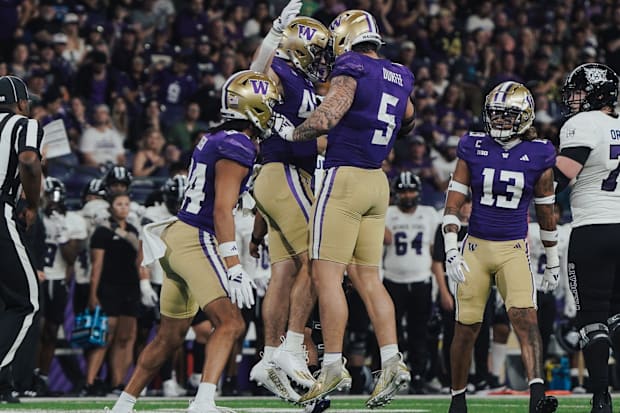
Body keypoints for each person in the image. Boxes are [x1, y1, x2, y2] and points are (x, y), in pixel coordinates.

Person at [108, 70, 280, 413]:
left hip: (175, 238)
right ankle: (203, 401)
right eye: (269, 105)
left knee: (169, 337)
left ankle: (123, 405)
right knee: (231, 323)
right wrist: (232, 264)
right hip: (196, 238)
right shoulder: (238, 145)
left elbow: (247, 78)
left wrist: (273, 38)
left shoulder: (216, 136)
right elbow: (221, 210)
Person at [274, 9, 415, 408]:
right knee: (369, 278)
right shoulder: (401, 73)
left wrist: (292, 133)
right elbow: (408, 120)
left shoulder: (351, 64)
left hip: (345, 178)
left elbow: (330, 113)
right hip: (377, 181)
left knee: (326, 274)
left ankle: (332, 364)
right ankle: (391, 361)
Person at [441, 81, 559, 413]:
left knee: (526, 317)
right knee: (467, 327)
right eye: (495, 115)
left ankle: (537, 395)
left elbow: (546, 213)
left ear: (524, 117)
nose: (500, 122)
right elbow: (453, 204)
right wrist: (451, 247)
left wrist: (552, 260)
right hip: (476, 247)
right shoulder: (473, 145)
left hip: (513, 248)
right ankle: (457, 398)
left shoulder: (539, 153)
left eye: (508, 116)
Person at [248, 3, 332, 401]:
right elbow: (254, 75)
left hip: (280, 178)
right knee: (320, 261)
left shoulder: (302, 78)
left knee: (283, 273)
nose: (321, 61)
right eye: (316, 52)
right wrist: (272, 35)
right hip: (284, 173)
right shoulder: (281, 69)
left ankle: (268, 356)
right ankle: (292, 349)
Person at [554, 62, 620, 413]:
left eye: (579, 92)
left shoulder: (582, 124)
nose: (574, 100)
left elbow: (562, 176)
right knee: (619, 315)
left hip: (593, 227)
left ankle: (601, 398)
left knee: (592, 317)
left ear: (596, 93)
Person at [0, 75, 43, 403]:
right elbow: (28, 160)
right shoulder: (22, 124)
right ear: (22, 102)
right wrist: (31, 204)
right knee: (26, 301)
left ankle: (5, 381)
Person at [382, 171, 441, 394]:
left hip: (421, 281)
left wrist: (439, 286)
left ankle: (418, 378)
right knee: (391, 332)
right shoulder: (387, 214)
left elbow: (435, 252)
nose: (408, 195)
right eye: (403, 191)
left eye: (411, 190)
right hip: (392, 280)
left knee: (419, 333)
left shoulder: (429, 214)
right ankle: (390, 377)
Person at [138, 175, 188, 397]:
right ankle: (147, 381)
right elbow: (143, 250)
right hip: (157, 281)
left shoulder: (192, 213)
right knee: (147, 335)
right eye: (174, 201)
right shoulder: (152, 216)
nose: (177, 206)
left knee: (173, 335)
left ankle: (170, 379)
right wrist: (144, 282)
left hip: (180, 280)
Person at [86, 192, 141, 396]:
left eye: (127, 204)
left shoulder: (134, 231)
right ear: (111, 207)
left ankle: (118, 383)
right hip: (108, 288)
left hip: (130, 288)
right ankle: (90, 382)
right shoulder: (102, 232)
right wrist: (93, 294)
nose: (123, 208)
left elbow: (139, 262)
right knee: (105, 337)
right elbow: (96, 265)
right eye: (119, 204)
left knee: (126, 338)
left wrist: (143, 288)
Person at [37, 177, 87, 394]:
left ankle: (42, 377)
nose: (52, 201)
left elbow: (70, 257)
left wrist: (63, 236)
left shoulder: (72, 220)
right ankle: (22, 375)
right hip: (35, 277)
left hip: (56, 279)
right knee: (33, 331)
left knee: (51, 331)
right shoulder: (33, 215)